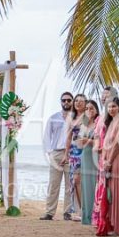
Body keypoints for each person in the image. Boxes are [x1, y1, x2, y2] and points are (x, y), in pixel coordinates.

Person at [42, 92, 74, 220]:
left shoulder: (77, 118)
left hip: (71, 154)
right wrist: (50, 153)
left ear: (72, 101)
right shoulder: (53, 118)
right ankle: (49, 212)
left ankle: (68, 212)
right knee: (53, 184)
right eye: (64, 100)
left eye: (68, 100)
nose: (66, 102)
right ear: (60, 102)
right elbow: (46, 136)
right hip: (56, 153)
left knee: (69, 185)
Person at [98, 97, 119, 236]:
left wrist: (109, 161)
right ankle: (112, 222)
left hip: (116, 159)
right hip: (107, 160)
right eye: (109, 107)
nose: (111, 109)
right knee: (110, 193)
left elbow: (117, 144)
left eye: (114, 106)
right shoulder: (110, 122)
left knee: (116, 191)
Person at [62, 95, 88, 215]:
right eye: (76, 100)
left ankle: (87, 210)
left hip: (87, 151)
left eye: (81, 101)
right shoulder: (71, 118)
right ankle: (80, 210)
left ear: (86, 103)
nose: (78, 103)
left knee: (86, 181)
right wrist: (66, 154)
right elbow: (68, 138)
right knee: (75, 180)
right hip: (74, 153)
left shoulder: (89, 116)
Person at [79, 100, 100, 225]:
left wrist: (88, 141)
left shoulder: (99, 124)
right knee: (86, 185)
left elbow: (101, 142)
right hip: (85, 155)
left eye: (91, 108)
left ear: (96, 110)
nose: (89, 111)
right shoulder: (84, 125)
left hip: (95, 156)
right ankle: (86, 216)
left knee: (94, 184)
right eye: (87, 108)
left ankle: (96, 215)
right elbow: (79, 143)